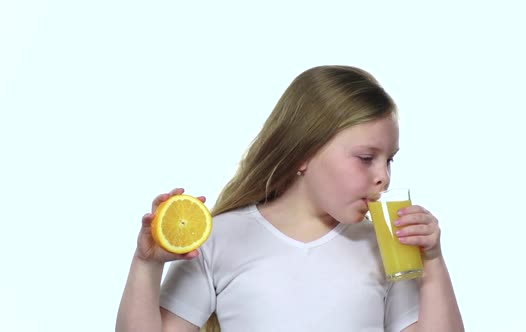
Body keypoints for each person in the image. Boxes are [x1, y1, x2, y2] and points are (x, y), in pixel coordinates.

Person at [116, 65, 464, 332]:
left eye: (389, 160)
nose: (383, 176)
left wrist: (432, 260)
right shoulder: (220, 239)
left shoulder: (384, 248)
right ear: (304, 153)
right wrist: (147, 265)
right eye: (365, 158)